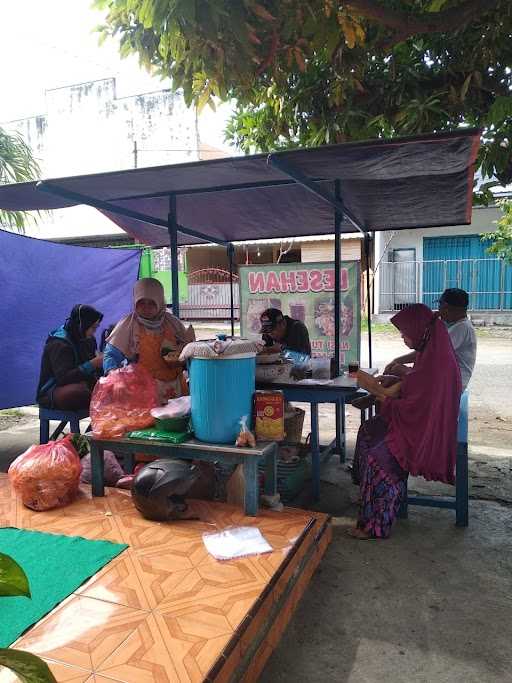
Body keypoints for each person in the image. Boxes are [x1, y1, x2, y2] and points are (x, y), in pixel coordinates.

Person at [349, 304, 462, 539]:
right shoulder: (431, 349)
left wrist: (360, 379)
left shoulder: (438, 360)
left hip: (424, 430)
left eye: (405, 332)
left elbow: (396, 398)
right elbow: (415, 383)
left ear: (420, 330)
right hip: (419, 420)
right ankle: (366, 494)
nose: (402, 337)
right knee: (367, 431)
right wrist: (394, 378)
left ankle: (376, 525)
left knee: (377, 458)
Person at [103, 278, 195, 403]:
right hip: (142, 390)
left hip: (175, 388)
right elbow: (111, 355)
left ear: (160, 301)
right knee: (149, 421)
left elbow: (188, 350)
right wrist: (113, 375)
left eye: (151, 303)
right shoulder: (128, 325)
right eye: (141, 303)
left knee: (174, 420)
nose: (146, 308)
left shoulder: (173, 323)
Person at [384, 288, 476, 391]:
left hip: (449, 383)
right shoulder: (448, 324)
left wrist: (400, 365)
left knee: (396, 389)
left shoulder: (462, 328)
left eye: (440, 307)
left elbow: (431, 352)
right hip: (439, 377)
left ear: (447, 308)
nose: (439, 311)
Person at [37, 304, 104, 411]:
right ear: (81, 325)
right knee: (79, 392)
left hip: (83, 383)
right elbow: (63, 378)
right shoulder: (59, 343)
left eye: (96, 327)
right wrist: (92, 364)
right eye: (92, 327)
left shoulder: (88, 339)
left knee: (114, 385)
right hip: (55, 390)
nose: (94, 331)